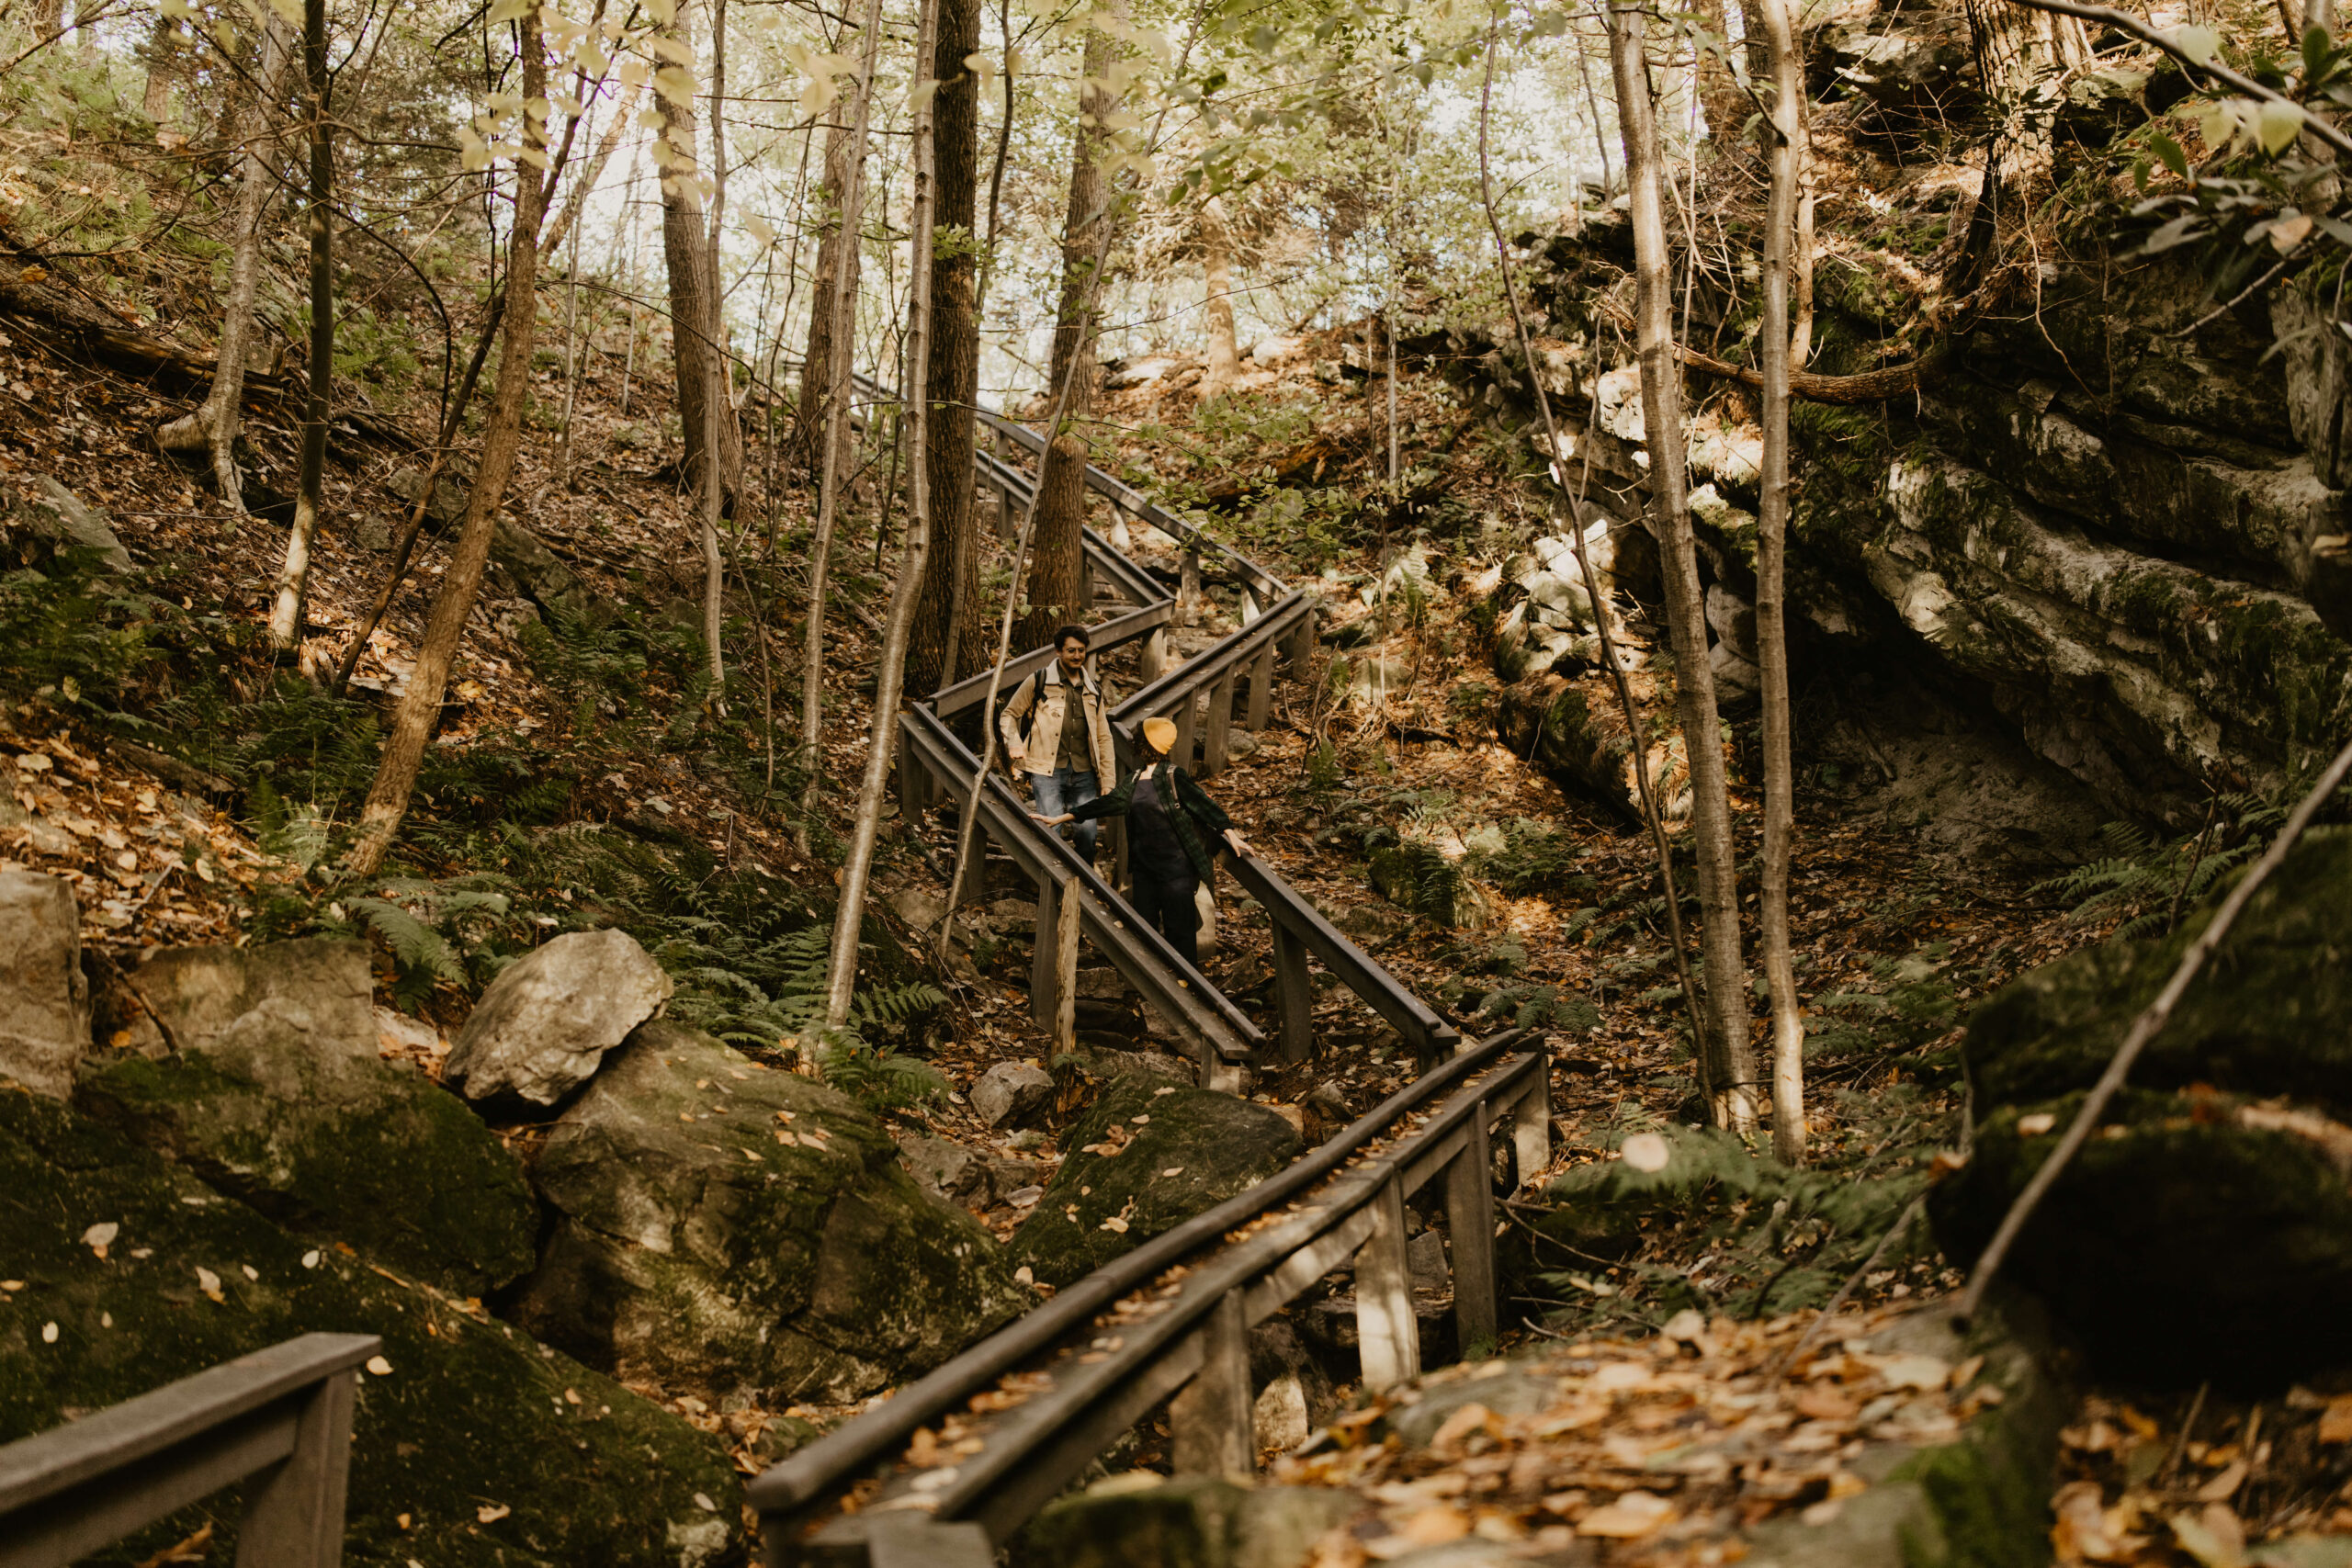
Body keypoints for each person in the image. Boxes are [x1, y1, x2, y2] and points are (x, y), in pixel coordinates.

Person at [1034, 715, 1249, 968]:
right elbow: (1108, 803)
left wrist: (1230, 833)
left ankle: (1188, 993)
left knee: (1181, 936)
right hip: (1145, 873)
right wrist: (1061, 817)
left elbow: (1204, 805)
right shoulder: (1133, 780)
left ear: (1145, 744)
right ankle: (1154, 991)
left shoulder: (1173, 777)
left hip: (1176, 872)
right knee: (1145, 935)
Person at [1000, 624, 1119, 862]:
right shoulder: (1040, 680)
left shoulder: (1093, 689)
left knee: (1087, 835)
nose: (1077, 656)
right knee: (1050, 834)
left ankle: (1083, 891)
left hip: (1084, 773)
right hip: (1047, 772)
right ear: (1058, 651)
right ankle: (1052, 890)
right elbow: (1009, 714)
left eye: (1081, 651)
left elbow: (1104, 736)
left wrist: (1108, 779)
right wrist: (1014, 742)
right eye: (1071, 650)